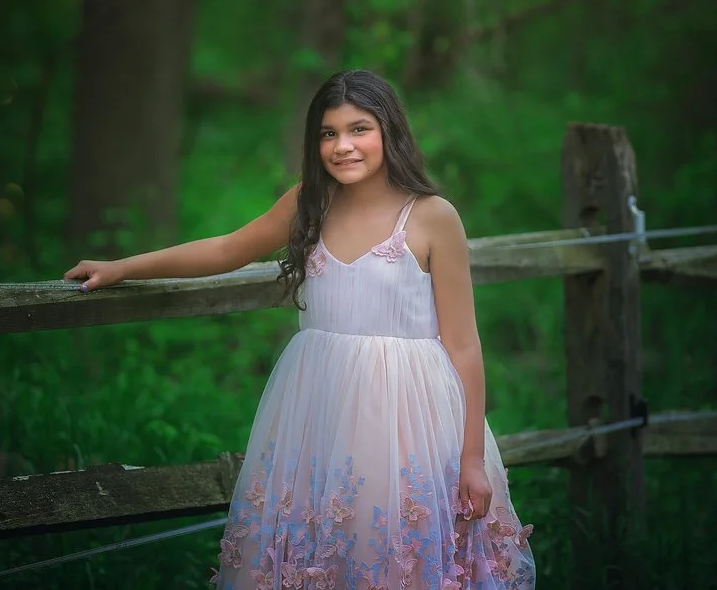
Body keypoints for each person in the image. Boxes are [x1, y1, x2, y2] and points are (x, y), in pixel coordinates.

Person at [65, 70, 537, 589]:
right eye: (329, 133)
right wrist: (123, 266)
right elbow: (227, 249)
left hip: (409, 420)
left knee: (390, 552)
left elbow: (465, 346)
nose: (343, 146)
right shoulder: (310, 201)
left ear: (389, 132)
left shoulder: (430, 216)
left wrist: (472, 460)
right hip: (319, 412)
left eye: (359, 129)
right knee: (318, 551)